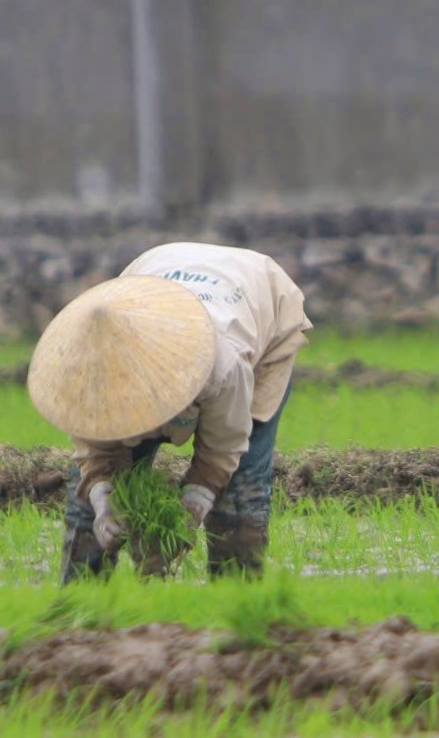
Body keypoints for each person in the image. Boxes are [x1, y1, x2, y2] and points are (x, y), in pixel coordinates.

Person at [28, 242, 311, 583]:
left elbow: (225, 446)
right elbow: (95, 450)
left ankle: (238, 606)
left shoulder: (222, 364)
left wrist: (195, 501)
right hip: (156, 266)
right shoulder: (92, 365)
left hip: (259, 305)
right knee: (87, 505)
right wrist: (103, 499)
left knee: (239, 495)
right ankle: (80, 609)